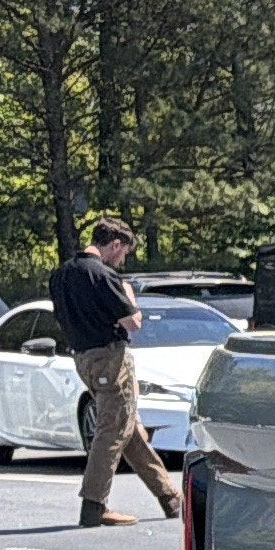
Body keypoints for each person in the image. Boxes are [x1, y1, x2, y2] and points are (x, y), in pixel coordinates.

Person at [52, 217, 178, 527]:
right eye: (123, 254)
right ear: (115, 244)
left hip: (83, 358)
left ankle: (171, 499)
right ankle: (93, 506)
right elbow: (133, 322)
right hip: (110, 357)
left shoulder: (61, 275)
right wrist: (129, 294)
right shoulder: (103, 275)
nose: (122, 261)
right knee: (111, 430)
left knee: (127, 429)